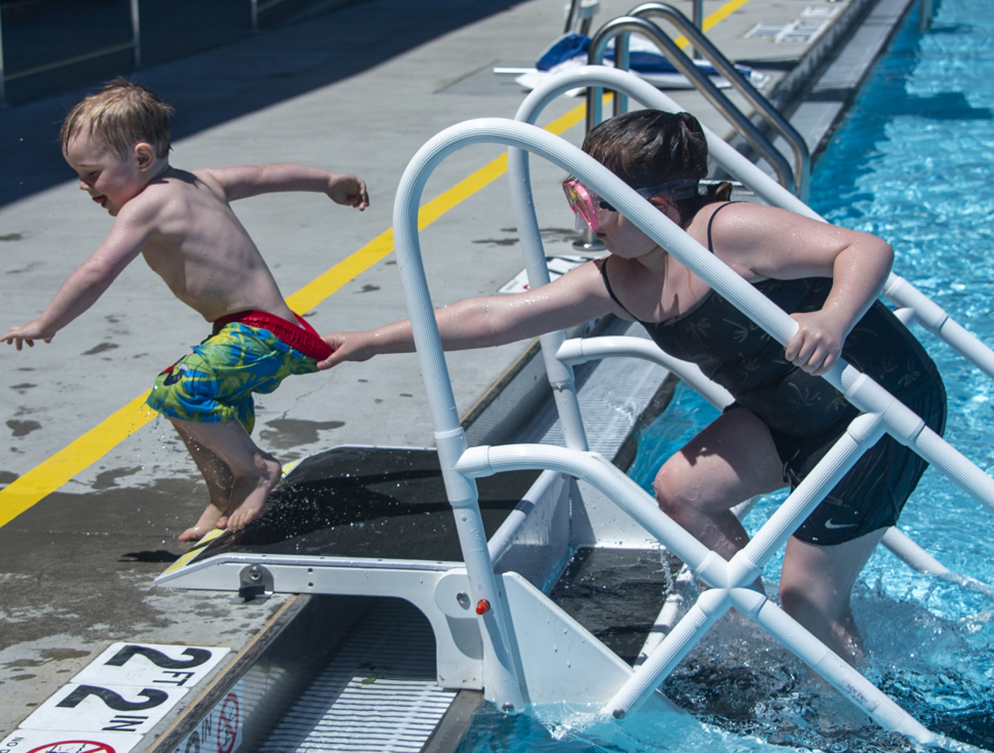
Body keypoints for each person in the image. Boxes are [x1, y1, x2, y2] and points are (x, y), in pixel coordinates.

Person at [318, 109, 946, 662]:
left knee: (808, 597)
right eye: (577, 199)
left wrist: (832, 318)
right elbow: (496, 315)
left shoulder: (727, 233)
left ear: (660, 208)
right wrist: (371, 342)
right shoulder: (623, 276)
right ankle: (758, 635)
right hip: (792, 414)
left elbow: (863, 249)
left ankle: (857, 725)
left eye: (596, 205)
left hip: (877, 411)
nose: (586, 223)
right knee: (683, 492)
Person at [0, 79, 369, 542]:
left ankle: (256, 470)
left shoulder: (148, 204)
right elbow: (263, 174)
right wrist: (328, 181)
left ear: (140, 159)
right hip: (258, 330)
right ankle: (223, 492)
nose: (83, 185)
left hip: (260, 331)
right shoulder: (201, 180)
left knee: (177, 388)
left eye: (92, 173)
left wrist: (46, 323)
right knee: (187, 408)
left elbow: (97, 271)